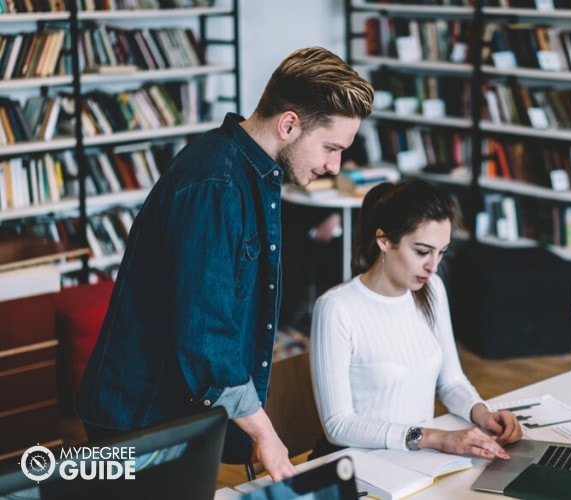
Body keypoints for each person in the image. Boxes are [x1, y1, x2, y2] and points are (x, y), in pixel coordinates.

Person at [76, 46, 374, 481]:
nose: (335, 166)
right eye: (331, 147)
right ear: (289, 124)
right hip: (141, 421)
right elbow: (207, 334)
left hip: (174, 415)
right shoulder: (216, 183)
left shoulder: (250, 173)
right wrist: (266, 434)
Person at [309, 178, 523, 459]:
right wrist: (435, 438)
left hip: (416, 457)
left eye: (441, 253)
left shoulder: (432, 290)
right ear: (384, 240)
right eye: (422, 252)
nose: (433, 266)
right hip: (359, 463)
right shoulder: (336, 308)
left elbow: (451, 381)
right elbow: (338, 426)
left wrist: (482, 413)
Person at [279, 135, 369, 333]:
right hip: (305, 209)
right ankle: (288, 312)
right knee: (290, 241)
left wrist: (335, 217)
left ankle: (343, 316)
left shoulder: (354, 146)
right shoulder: (303, 142)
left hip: (338, 214)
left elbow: (353, 180)